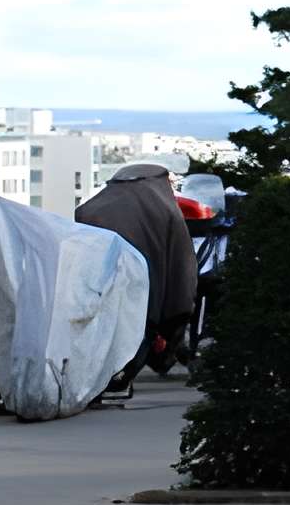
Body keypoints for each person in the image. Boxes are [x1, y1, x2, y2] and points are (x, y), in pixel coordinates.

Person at [74, 160, 200, 394]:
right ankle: (120, 379)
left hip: (95, 292)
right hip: (143, 295)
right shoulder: (164, 209)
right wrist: (178, 313)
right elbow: (181, 266)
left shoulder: (90, 208)